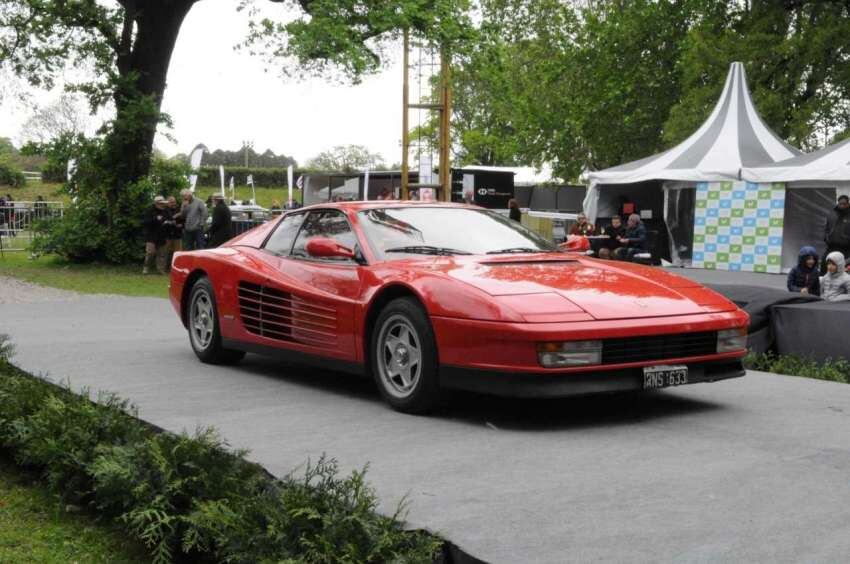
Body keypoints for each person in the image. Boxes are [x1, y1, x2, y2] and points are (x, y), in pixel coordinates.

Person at [142, 196, 169, 274]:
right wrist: (156, 219)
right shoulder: (150, 211)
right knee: (150, 253)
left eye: (163, 204)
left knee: (162, 254)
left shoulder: (166, 211)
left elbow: (169, 219)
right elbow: (145, 222)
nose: (163, 205)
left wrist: (168, 223)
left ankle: (160, 269)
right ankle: (146, 268)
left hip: (163, 235)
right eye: (161, 204)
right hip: (151, 236)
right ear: (156, 204)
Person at [824, 194, 850, 265]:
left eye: (844, 204)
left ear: (848, 204)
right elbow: (826, 228)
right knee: (825, 265)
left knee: (844, 268)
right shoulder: (832, 214)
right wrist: (826, 238)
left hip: (846, 250)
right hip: (832, 247)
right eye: (840, 204)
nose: (842, 206)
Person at [163, 196, 182, 270]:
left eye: (174, 202)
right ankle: (164, 268)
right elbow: (164, 220)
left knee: (177, 252)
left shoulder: (179, 209)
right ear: (167, 203)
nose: (173, 203)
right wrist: (174, 218)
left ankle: (176, 268)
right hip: (167, 234)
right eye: (171, 202)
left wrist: (181, 225)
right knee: (166, 252)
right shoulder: (164, 210)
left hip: (177, 234)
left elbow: (183, 219)